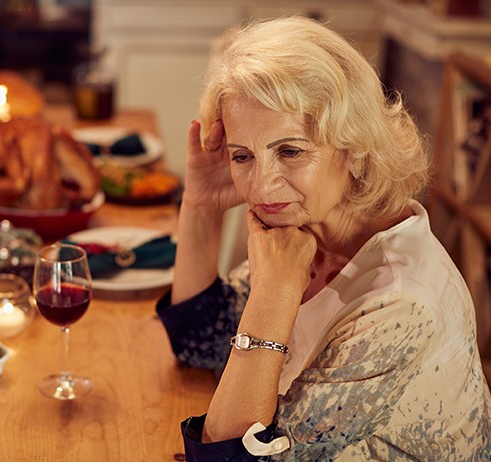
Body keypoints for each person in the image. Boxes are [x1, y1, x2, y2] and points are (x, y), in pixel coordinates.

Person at [156, 16, 491, 461]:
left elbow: (235, 456)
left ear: (354, 147)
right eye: (243, 156)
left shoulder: (402, 305)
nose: (260, 186)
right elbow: (202, 340)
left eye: (290, 151)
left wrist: (274, 293)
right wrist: (200, 206)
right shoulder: (306, 231)